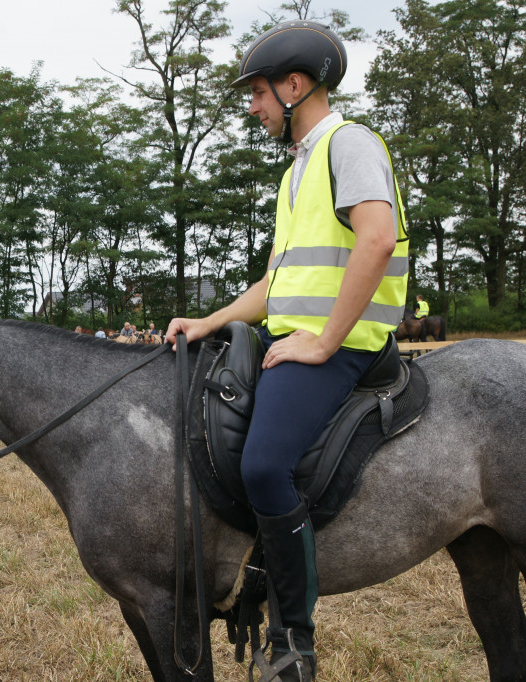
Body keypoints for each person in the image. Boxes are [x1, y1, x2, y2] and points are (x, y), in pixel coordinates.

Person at [165, 22, 407, 680]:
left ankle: (293, 640)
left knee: (265, 465)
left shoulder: (348, 144)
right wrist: (210, 318)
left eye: (259, 93)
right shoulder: (296, 173)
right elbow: (278, 281)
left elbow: (377, 240)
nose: (253, 106)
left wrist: (325, 339)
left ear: (294, 85)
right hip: (291, 336)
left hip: (343, 345)